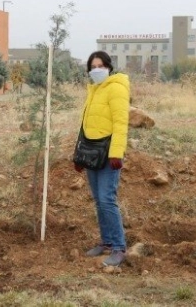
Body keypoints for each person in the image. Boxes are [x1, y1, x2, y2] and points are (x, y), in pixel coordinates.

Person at [74, 51, 130, 267]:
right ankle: (106, 242)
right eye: (92, 66)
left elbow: (120, 122)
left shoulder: (116, 88)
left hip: (108, 153)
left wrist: (117, 153)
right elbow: (86, 123)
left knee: (107, 199)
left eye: (100, 65)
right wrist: (79, 154)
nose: (96, 69)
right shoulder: (94, 89)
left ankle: (118, 247)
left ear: (109, 67)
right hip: (92, 152)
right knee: (99, 200)